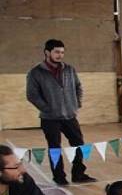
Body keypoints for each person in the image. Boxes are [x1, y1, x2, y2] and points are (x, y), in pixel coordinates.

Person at [25, 39, 97, 185]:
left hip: (70, 115)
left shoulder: (69, 69)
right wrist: (47, 108)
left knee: (78, 144)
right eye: (57, 52)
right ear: (47, 52)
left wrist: (76, 104)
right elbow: (32, 95)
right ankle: (59, 178)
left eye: (62, 52)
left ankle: (79, 174)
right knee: (55, 148)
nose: (60, 55)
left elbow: (78, 87)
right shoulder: (36, 72)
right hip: (49, 118)